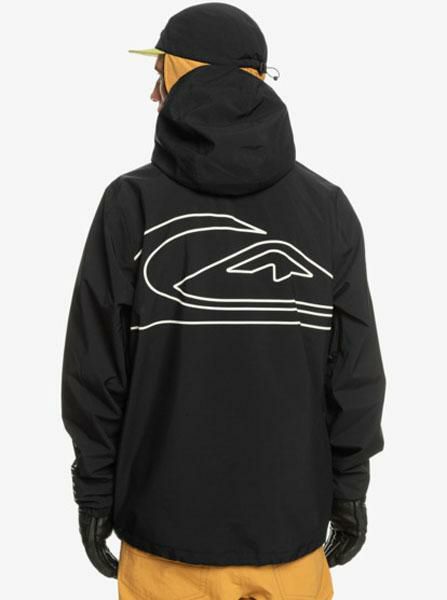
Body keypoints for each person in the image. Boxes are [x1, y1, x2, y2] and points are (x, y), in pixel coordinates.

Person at [61, 3, 386, 599]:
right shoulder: (326, 209)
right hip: (289, 537)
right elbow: (354, 367)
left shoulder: (131, 204)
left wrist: (94, 489)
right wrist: (350, 486)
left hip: (164, 542)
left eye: (159, 72)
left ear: (185, 73)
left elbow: (95, 365)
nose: (153, 93)